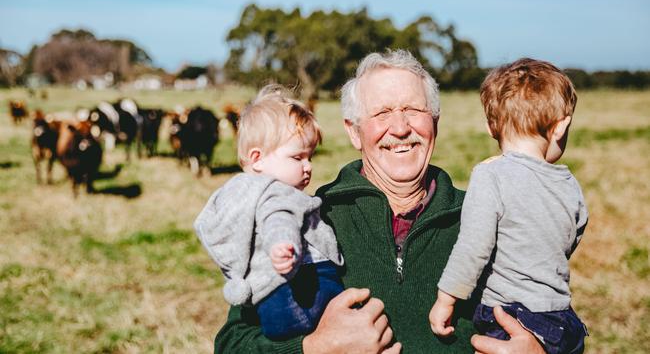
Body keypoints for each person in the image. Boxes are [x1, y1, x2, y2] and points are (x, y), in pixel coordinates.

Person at [213, 50, 545, 353]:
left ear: (435, 123)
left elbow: (563, 322)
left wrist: (542, 350)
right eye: (382, 113)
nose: (400, 128)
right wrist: (315, 348)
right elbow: (231, 344)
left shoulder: (487, 216)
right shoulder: (309, 221)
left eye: (413, 110)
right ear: (354, 131)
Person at [429, 58, 589, 354]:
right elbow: (571, 238)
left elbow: (473, 246)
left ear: (492, 127)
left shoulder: (490, 175)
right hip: (561, 318)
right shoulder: (569, 183)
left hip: (508, 314)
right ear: (560, 127)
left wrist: (446, 298)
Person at [194, 85, 344, 340]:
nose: (308, 167)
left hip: (269, 295)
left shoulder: (240, 193)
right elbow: (279, 220)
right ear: (257, 159)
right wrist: (282, 244)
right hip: (304, 285)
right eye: (298, 158)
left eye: (310, 157)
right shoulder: (275, 192)